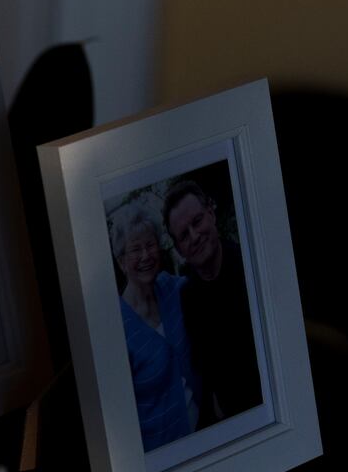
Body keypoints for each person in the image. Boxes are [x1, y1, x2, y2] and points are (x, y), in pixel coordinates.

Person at [163, 179, 263, 423]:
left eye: (197, 222)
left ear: (211, 213)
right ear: (178, 248)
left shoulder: (254, 269)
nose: (194, 236)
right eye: (184, 235)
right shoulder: (187, 297)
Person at [112, 201, 200, 452]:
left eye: (150, 245)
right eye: (135, 249)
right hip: (163, 454)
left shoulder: (171, 288)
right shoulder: (117, 328)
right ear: (121, 262)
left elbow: (203, 283)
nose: (145, 256)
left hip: (206, 429)